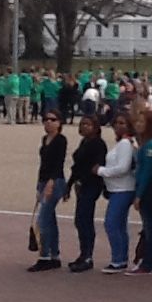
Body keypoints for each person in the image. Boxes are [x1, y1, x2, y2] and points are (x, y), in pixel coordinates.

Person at [64, 116, 107, 272]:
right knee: (80, 220)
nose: (84, 127)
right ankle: (83, 253)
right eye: (82, 124)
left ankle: (88, 256)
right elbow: (76, 167)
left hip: (91, 185)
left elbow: (96, 166)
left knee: (85, 219)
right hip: (81, 184)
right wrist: (69, 185)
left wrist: (82, 181)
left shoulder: (98, 144)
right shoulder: (84, 142)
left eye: (88, 124)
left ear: (95, 127)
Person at [28, 110, 68, 271]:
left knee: (43, 220)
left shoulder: (60, 140)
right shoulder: (45, 139)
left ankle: (44, 255)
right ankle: (54, 255)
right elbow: (43, 164)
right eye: (46, 119)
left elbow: (58, 163)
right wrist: (39, 185)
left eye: (52, 119)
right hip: (44, 180)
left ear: (59, 122)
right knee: (50, 219)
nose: (48, 122)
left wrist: (50, 183)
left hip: (55, 181)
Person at [96, 113, 136, 274]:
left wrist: (101, 171)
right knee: (119, 224)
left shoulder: (125, 144)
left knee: (111, 223)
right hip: (117, 188)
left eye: (122, 123)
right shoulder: (122, 143)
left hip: (123, 188)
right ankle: (121, 257)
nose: (118, 126)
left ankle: (118, 259)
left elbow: (123, 168)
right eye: (117, 123)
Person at [128, 111, 152, 275]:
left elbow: (147, 172)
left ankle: (149, 262)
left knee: (149, 227)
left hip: (149, 189)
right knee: (150, 226)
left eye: (142, 122)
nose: (138, 124)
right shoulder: (150, 143)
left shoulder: (151, 146)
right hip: (151, 188)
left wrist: (139, 195)